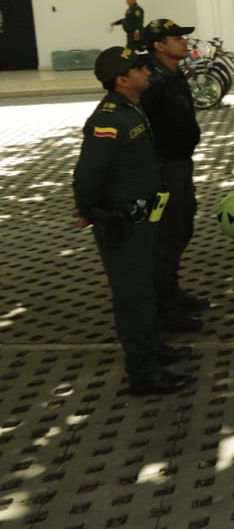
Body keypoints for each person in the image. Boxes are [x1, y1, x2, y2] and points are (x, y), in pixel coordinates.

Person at [73, 46, 195, 396]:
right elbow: (88, 172)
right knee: (134, 297)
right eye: (139, 69)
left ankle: (153, 348)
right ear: (123, 80)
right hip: (121, 223)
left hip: (140, 220)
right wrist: (89, 209)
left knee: (146, 287)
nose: (147, 72)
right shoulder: (108, 119)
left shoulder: (130, 109)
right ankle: (143, 373)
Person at [139, 18, 208, 332]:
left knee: (182, 226)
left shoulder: (174, 74)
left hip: (181, 163)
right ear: (159, 45)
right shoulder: (150, 80)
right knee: (166, 235)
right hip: (162, 167)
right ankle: (162, 307)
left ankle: (171, 291)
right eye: (176, 38)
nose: (183, 41)